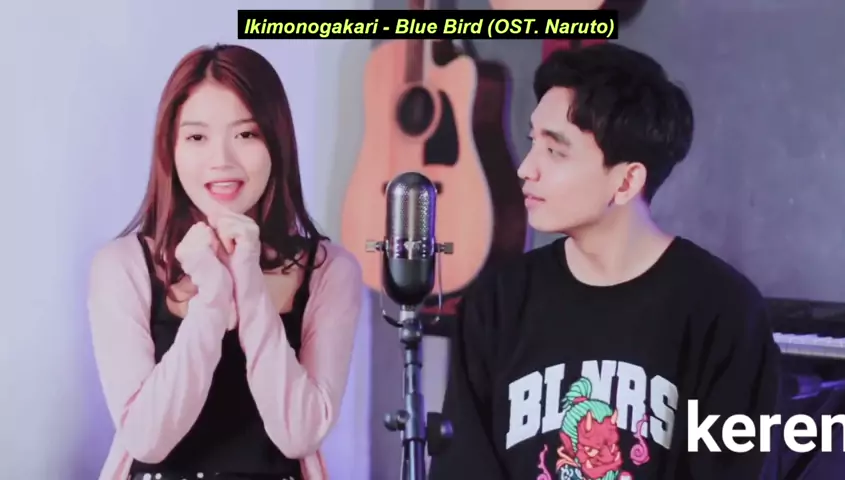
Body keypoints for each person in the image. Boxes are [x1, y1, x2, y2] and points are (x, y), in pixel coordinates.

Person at [428, 43, 781, 480]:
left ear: (627, 180)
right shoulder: (497, 302)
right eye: (532, 142)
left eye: (556, 151)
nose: (526, 168)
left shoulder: (723, 311)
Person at [87, 44, 363, 480]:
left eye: (246, 135)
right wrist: (212, 297)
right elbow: (146, 439)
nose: (222, 160)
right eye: (197, 137)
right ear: (170, 150)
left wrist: (248, 282)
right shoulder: (122, 266)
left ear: (276, 143)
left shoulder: (330, 271)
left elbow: (300, 433)